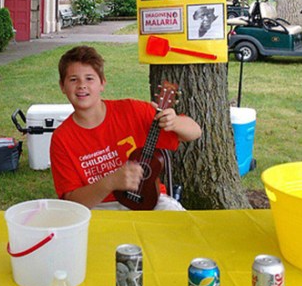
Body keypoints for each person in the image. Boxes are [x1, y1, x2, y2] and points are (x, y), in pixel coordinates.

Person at [50, 46, 202, 211]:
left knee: (181, 226)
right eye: (73, 79)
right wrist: (110, 182)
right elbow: (72, 204)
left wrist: (175, 123)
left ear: (102, 83)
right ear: (62, 86)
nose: (82, 86)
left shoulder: (131, 111)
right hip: (98, 206)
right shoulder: (62, 138)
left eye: (89, 78)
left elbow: (195, 132)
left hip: (150, 200)